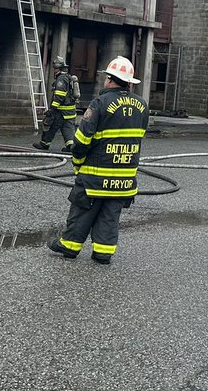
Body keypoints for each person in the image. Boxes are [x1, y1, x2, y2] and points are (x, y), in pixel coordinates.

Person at [47, 56, 148, 265]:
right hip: (125, 177)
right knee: (110, 215)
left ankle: (69, 246)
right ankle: (103, 252)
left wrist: (77, 160)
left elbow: (83, 139)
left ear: (110, 79)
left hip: (96, 174)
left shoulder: (100, 103)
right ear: (129, 82)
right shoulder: (142, 105)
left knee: (83, 208)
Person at [34, 57, 80, 152]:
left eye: (55, 68)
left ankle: (44, 144)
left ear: (59, 69)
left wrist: (52, 109)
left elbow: (59, 95)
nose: (54, 70)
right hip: (70, 111)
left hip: (60, 111)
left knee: (50, 124)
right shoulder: (68, 77)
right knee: (68, 129)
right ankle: (70, 146)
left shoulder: (61, 79)